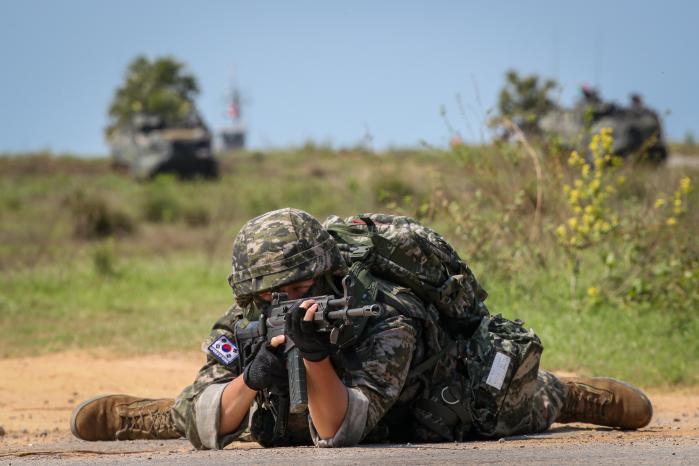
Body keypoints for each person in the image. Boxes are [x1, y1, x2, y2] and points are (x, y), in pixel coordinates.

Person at [70, 208, 653, 448]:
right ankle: (151, 415)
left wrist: (314, 355)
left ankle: (570, 391)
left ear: (327, 276)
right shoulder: (255, 316)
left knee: (508, 405)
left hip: (432, 396)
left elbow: (339, 431)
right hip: (331, 401)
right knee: (238, 410)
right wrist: (254, 375)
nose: (285, 304)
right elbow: (214, 397)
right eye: (271, 295)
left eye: (299, 291)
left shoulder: (386, 317)